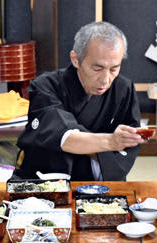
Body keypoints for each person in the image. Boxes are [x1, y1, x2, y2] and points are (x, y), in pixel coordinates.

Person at [12, 21, 144, 181]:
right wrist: (111, 141)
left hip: (98, 185)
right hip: (44, 182)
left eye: (114, 69)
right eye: (97, 68)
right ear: (75, 59)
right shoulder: (45, 86)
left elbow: (127, 147)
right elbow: (63, 137)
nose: (105, 79)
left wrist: (120, 140)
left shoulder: (124, 89)